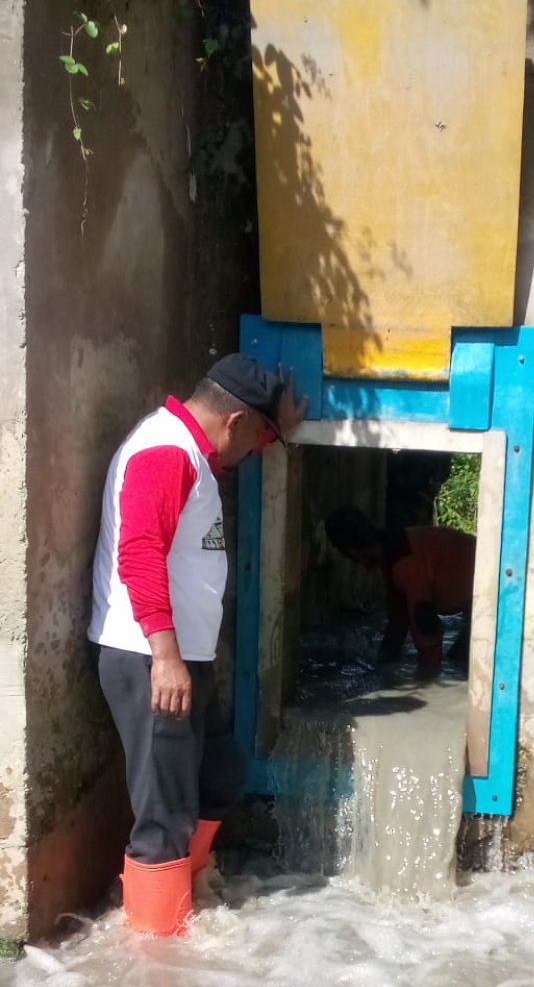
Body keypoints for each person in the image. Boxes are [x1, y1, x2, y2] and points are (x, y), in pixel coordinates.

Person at [88, 353, 307, 936]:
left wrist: (280, 425)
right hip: (149, 658)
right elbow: (138, 552)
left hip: (181, 658)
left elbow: (231, 451)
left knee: (220, 774)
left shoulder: (195, 454)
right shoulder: (166, 452)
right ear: (234, 422)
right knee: (164, 815)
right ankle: (159, 964)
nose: (256, 449)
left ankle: (189, 891)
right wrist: (164, 656)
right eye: (259, 435)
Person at [325, 506, 476, 679]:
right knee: (459, 658)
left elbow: (424, 619)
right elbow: (399, 617)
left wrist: (426, 675)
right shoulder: (393, 550)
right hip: (481, 595)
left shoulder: (404, 563)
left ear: (351, 551)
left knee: (459, 663)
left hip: (495, 593)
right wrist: (385, 660)